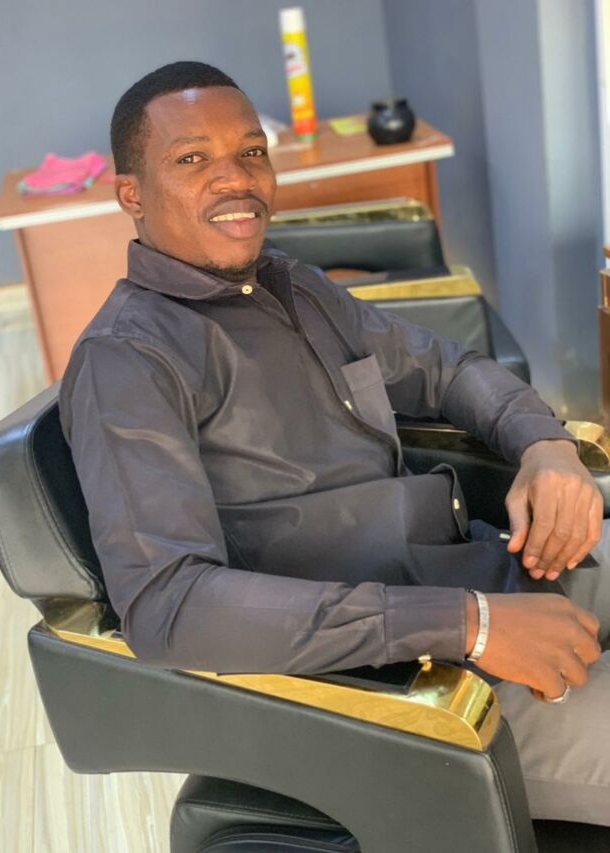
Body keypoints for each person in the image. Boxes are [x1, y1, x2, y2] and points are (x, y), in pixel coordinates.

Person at [59, 61, 609, 826]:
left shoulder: (293, 287)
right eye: (191, 159)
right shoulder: (129, 360)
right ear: (131, 194)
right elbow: (169, 604)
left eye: (251, 151)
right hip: (412, 689)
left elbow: (447, 368)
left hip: (489, 567)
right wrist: (469, 622)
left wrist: (545, 445)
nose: (235, 178)